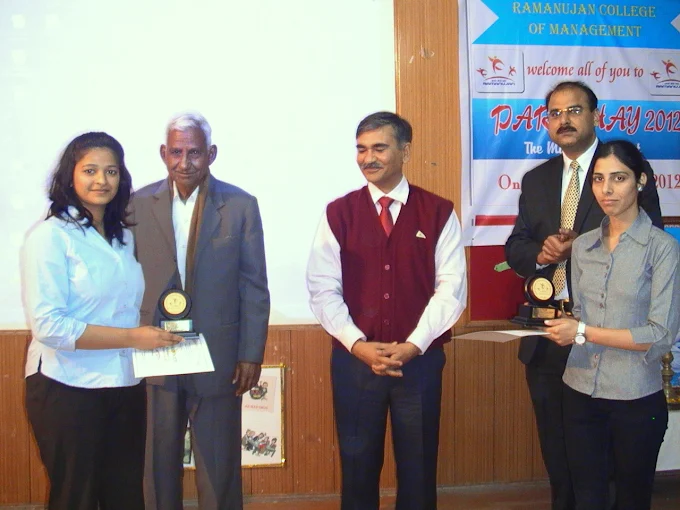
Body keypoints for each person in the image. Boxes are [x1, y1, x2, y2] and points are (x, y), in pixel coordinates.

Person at [504, 81, 662, 510]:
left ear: (596, 115)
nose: (564, 120)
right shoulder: (537, 180)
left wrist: (585, 244)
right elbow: (516, 246)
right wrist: (541, 253)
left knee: (606, 465)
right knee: (559, 456)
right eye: (555, 113)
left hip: (606, 339)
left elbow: (649, 242)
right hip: (548, 337)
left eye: (574, 110)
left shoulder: (625, 169)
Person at [306, 111, 467, 510]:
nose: (368, 158)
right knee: (357, 466)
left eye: (379, 148)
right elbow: (322, 288)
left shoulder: (438, 212)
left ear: (405, 151)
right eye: (361, 149)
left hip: (419, 363)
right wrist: (357, 344)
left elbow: (452, 290)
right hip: (356, 364)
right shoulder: (338, 213)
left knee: (419, 467)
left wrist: (413, 345)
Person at [22, 132, 182, 510]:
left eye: (111, 171)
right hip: (66, 385)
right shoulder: (50, 236)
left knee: (125, 497)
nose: (102, 180)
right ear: (70, 175)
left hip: (124, 383)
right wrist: (133, 338)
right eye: (90, 170)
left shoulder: (123, 237)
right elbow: (50, 327)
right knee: (75, 498)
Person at [131, 112, 270, 510]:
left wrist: (250, 353)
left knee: (219, 464)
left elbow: (254, 285)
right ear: (163, 153)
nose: (184, 162)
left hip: (218, 355)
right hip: (157, 351)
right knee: (157, 464)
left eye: (194, 152)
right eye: (176, 152)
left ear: (211, 154)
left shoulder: (241, 206)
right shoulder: (137, 204)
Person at [544, 140, 680, 510]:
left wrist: (582, 331)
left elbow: (660, 334)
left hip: (636, 397)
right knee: (587, 497)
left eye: (619, 178)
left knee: (632, 499)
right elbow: (581, 313)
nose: (606, 189)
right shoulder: (583, 246)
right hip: (579, 391)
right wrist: (565, 326)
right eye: (599, 179)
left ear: (640, 181)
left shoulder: (662, 248)